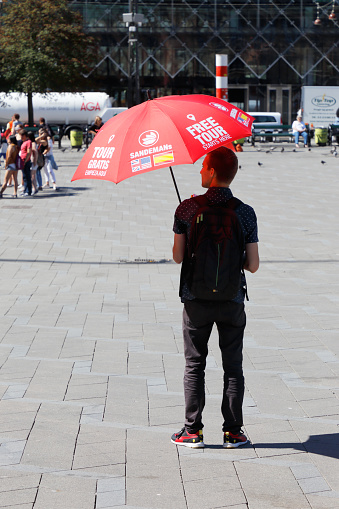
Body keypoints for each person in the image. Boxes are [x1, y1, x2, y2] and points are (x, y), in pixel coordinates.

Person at [171, 146, 259, 449]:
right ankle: (234, 432)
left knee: (195, 364)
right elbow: (254, 265)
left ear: (211, 172)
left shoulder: (187, 208)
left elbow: (178, 257)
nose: (199, 171)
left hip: (195, 300)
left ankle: (191, 431)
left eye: (202, 167)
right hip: (232, 299)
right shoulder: (244, 211)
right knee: (233, 366)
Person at [19, 130, 33, 197]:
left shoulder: (28, 142)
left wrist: (25, 161)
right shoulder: (23, 142)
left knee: (27, 177)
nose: (21, 137)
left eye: (22, 136)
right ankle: (25, 190)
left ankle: (28, 191)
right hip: (22, 161)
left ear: (25, 135)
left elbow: (29, 152)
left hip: (26, 161)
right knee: (24, 177)